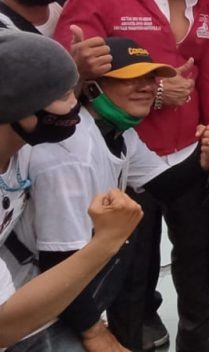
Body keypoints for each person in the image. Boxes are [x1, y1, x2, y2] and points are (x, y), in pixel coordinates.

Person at [53, 0, 209, 352]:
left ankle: (197, 336)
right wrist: (156, 96)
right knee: (131, 268)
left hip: (191, 157)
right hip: (124, 160)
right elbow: (64, 80)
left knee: (195, 257)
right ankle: (129, 341)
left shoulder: (203, 4)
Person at [5, 37, 209, 352]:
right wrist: (95, 332)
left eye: (151, 78)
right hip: (32, 304)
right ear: (93, 86)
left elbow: (165, 185)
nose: (148, 87)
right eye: (130, 79)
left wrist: (204, 159)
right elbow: (58, 261)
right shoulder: (71, 154)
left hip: (72, 287)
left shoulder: (116, 131)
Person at [0, 30, 142, 348]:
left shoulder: (20, 147)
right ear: (20, 108)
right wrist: (106, 241)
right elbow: (3, 328)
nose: (77, 105)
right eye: (65, 95)